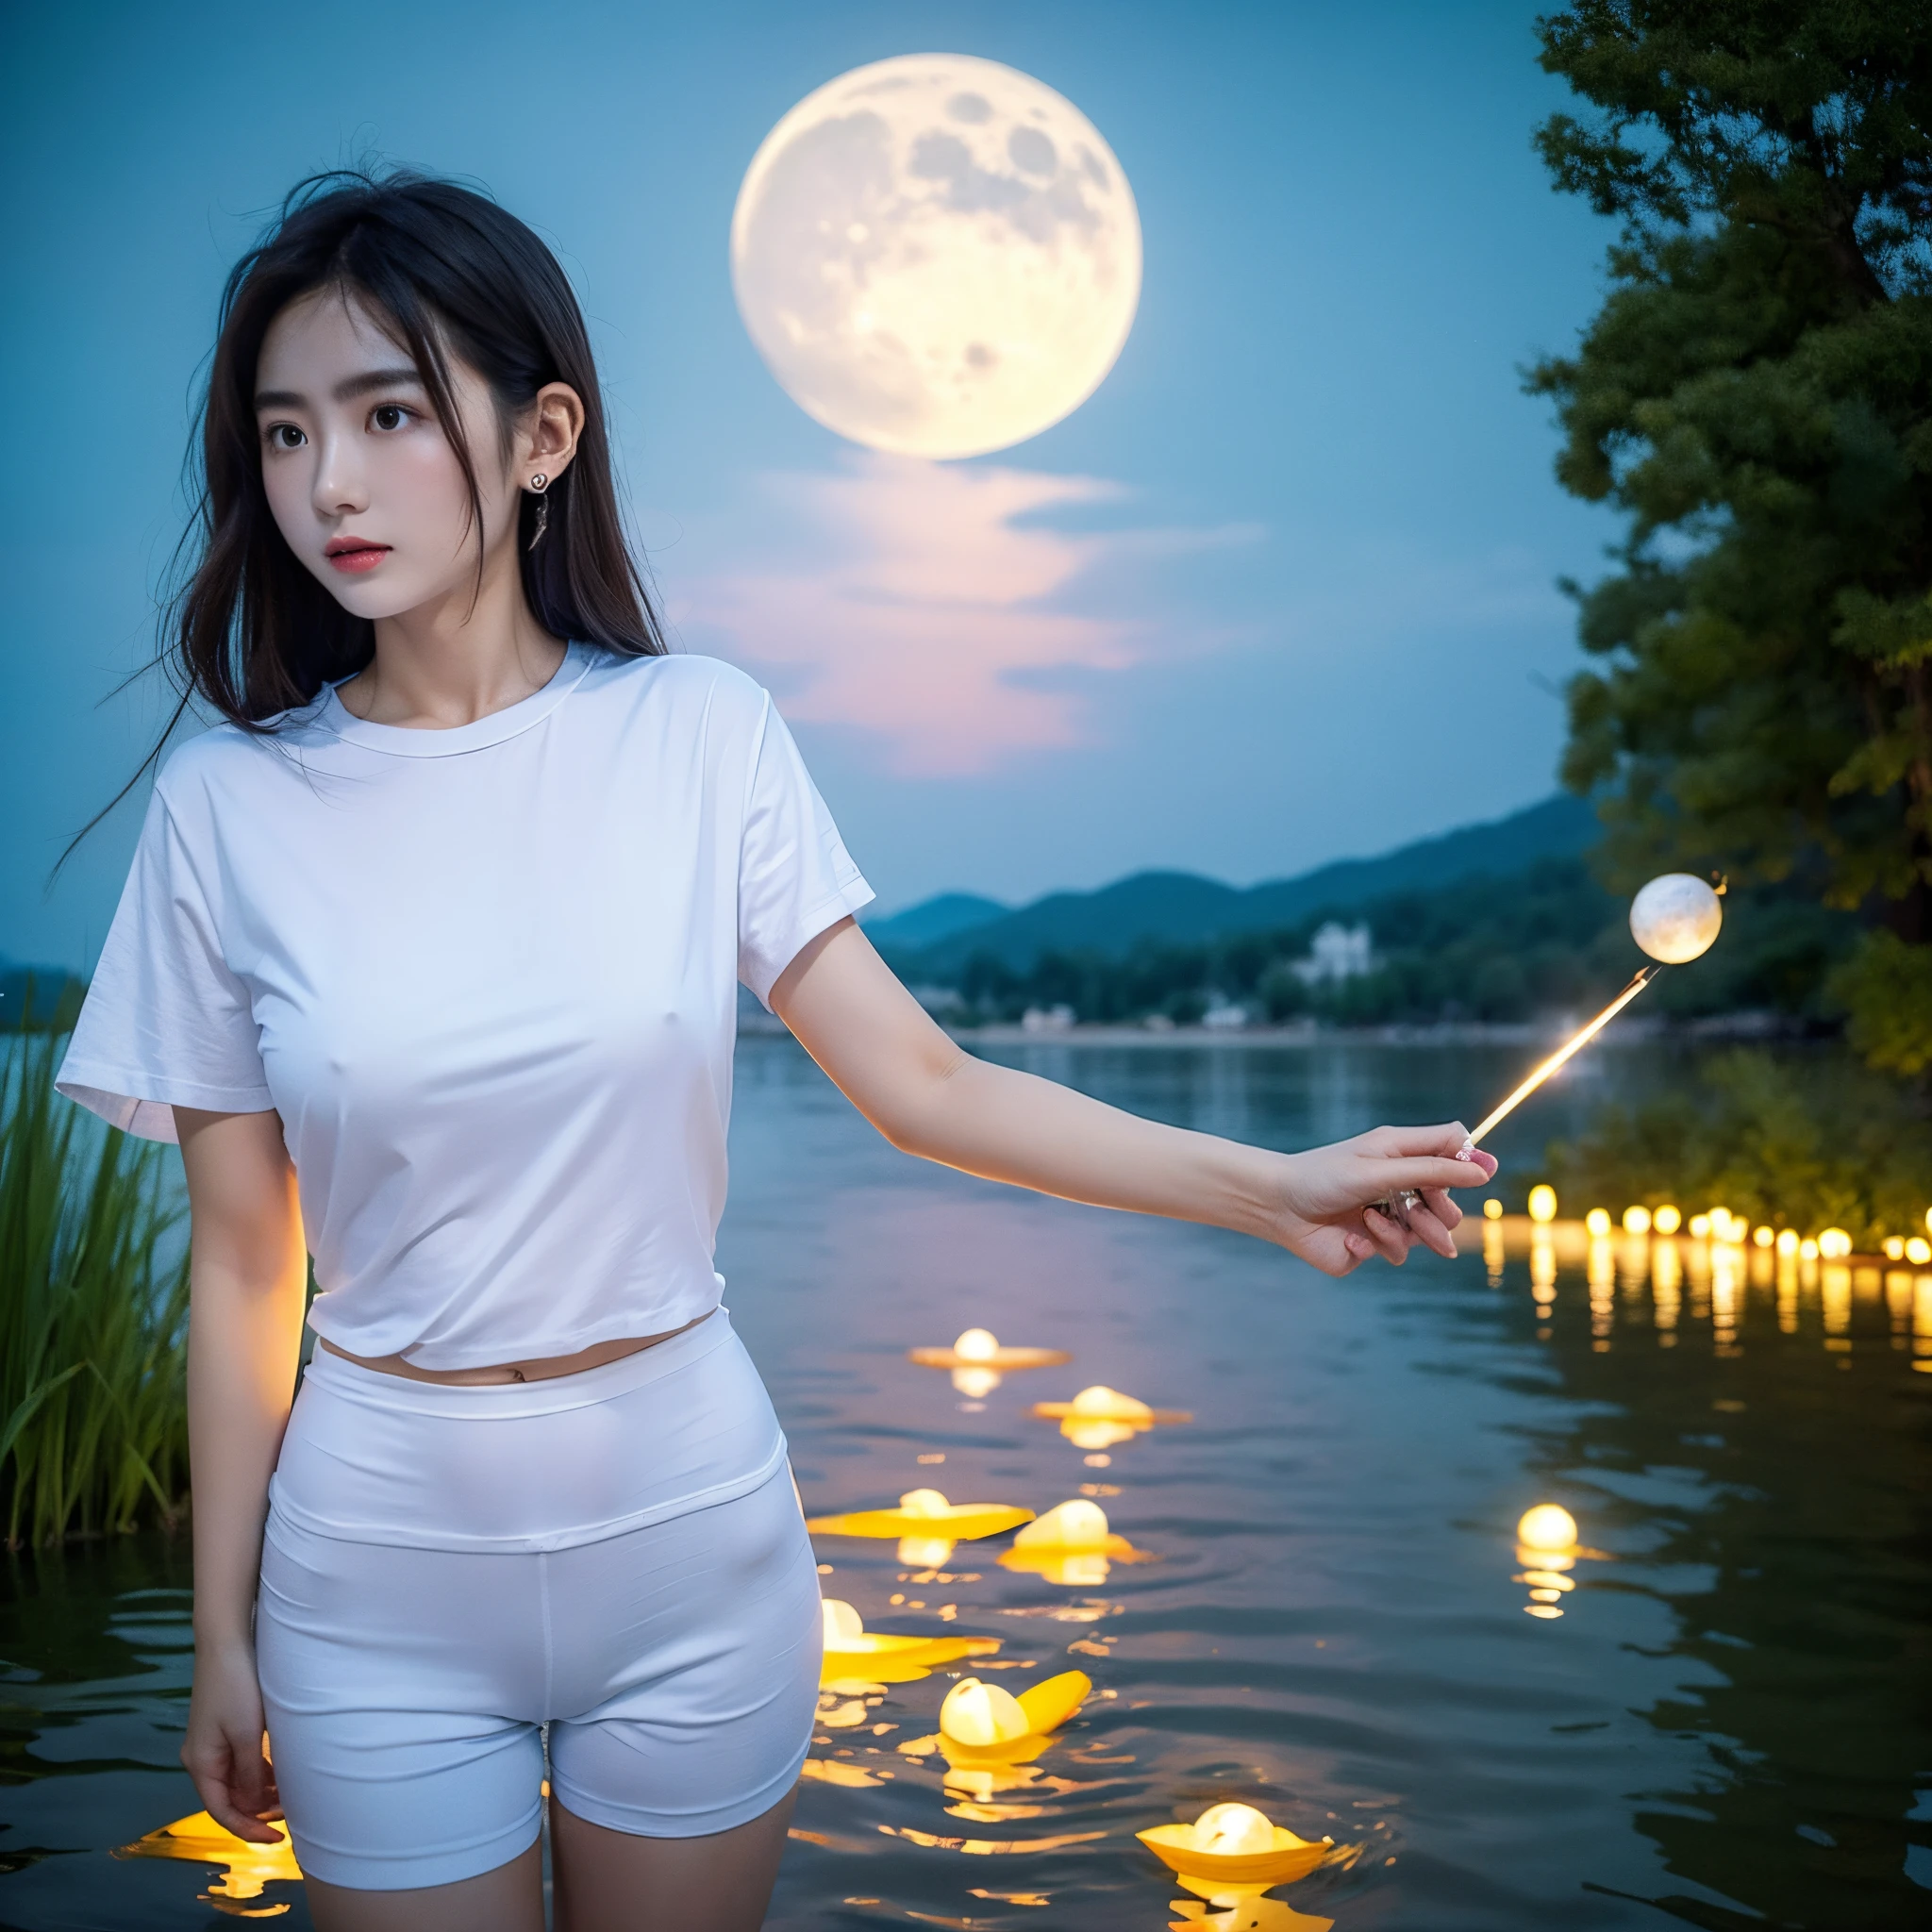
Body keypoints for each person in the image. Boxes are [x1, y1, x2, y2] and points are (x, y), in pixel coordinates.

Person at [54, 169, 1497, 1932]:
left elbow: (928, 1087)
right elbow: (244, 1252)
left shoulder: (698, 734)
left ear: (540, 435)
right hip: (374, 1565)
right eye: (284, 434)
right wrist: (219, 1630)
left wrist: (1271, 1187)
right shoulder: (229, 807)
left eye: (390, 413)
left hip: (689, 1537)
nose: (329, 483)